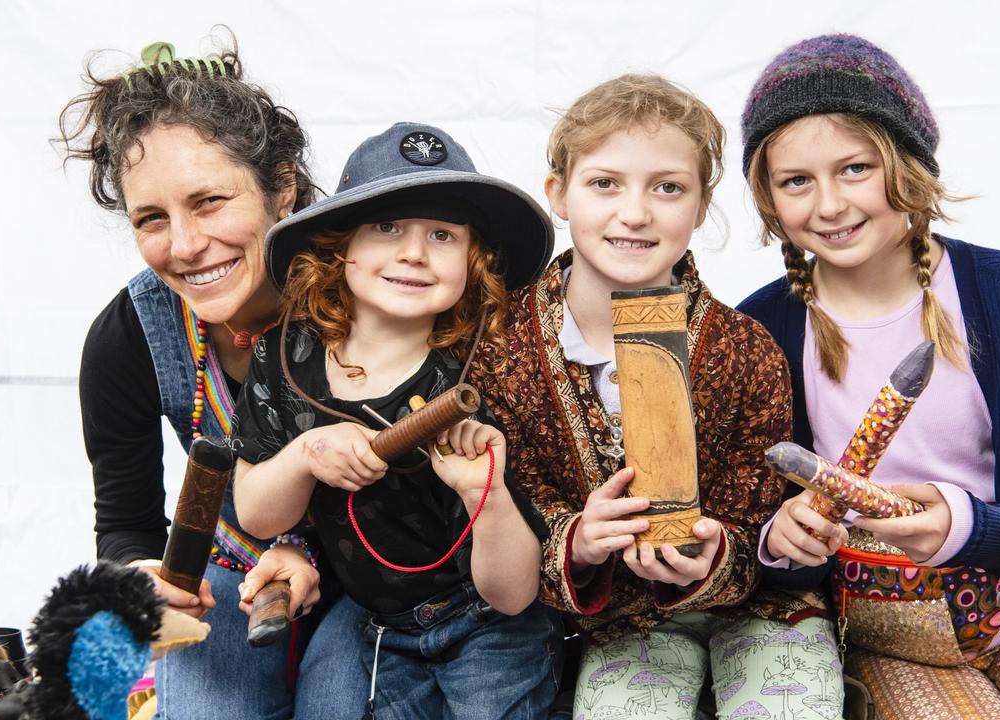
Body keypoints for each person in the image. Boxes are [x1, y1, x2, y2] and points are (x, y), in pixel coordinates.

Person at [738, 33, 1000, 719]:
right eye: (796, 181)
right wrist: (781, 542)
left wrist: (969, 527)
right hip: (885, 641)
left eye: (856, 168)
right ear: (767, 195)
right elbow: (753, 537)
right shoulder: (760, 332)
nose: (830, 205)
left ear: (907, 163)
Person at [474, 74, 842, 720]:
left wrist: (709, 552)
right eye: (604, 183)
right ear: (558, 194)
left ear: (701, 206)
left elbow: (759, 521)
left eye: (668, 187)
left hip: (759, 615)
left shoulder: (747, 351)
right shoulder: (504, 355)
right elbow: (521, 520)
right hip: (623, 627)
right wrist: (580, 542)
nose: (636, 213)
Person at [232, 122, 561, 719]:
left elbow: (513, 594)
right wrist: (304, 454)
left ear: (474, 261)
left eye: (442, 234)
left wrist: (482, 493)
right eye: (388, 228)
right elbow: (258, 513)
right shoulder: (284, 356)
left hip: (488, 623)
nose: (414, 252)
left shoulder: (484, 376)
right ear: (341, 245)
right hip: (381, 629)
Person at [61, 38, 346, 719]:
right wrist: (142, 577)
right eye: (152, 218)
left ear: (282, 185)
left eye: (209, 201)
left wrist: (318, 563)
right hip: (229, 581)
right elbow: (126, 524)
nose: (184, 245)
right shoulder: (129, 335)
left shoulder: (364, 299)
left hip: (373, 580)